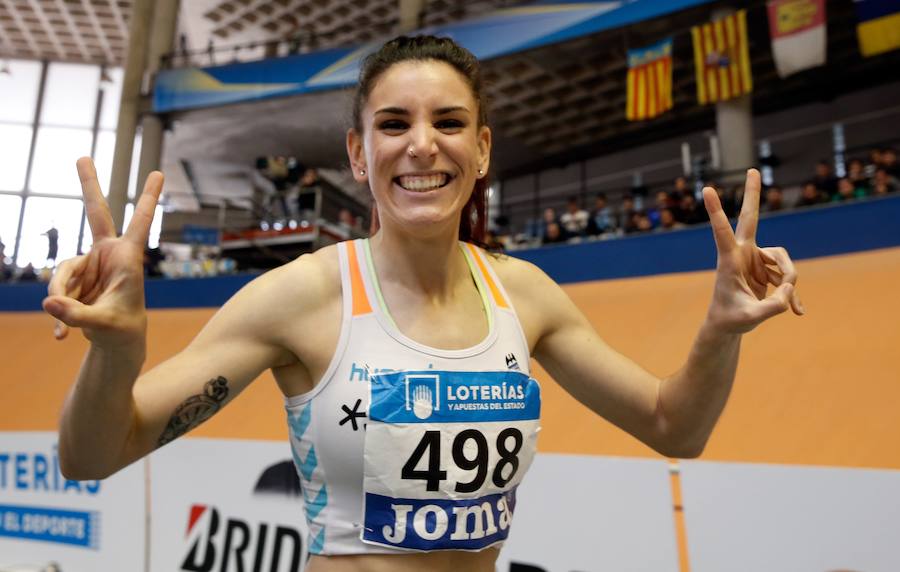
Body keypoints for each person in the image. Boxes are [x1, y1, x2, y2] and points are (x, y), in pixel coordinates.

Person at [44, 36, 803, 572]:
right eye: (393, 124)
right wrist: (115, 351)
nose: (421, 146)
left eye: (448, 123)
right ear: (356, 152)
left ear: (481, 149)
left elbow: (676, 426)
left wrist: (720, 328)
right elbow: (93, 455)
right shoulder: (300, 297)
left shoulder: (525, 293)